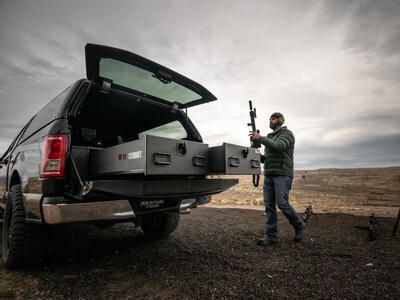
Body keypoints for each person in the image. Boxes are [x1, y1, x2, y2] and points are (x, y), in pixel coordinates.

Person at [249, 112, 305, 246]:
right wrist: (254, 152)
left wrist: (261, 138)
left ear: (280, 120)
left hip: (282, 174)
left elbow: (279, 147)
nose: (271, 120)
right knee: (269, 206)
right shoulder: (270, 137)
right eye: (270, 119)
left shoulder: (287, 134)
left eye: (273, 118)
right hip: (269, 174)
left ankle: (299, 225)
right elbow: (269, 158)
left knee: (282, 203)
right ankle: (271, 236)